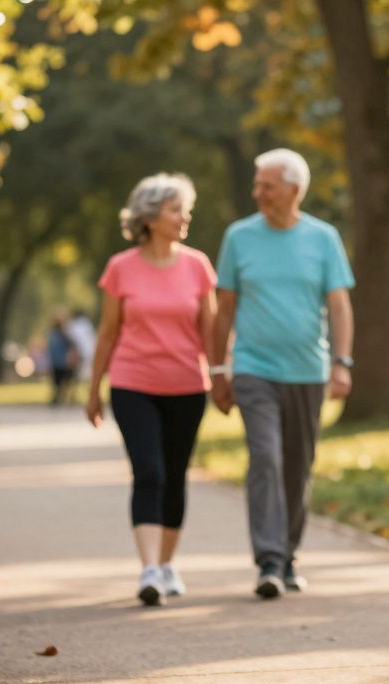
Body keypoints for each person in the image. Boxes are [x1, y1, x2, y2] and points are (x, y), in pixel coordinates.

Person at [209, 148, 355, 600]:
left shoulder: (323, 238)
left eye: (266, 186)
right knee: (266, 457)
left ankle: (288, 554)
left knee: (297, 466)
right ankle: (269, 559)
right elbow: (225, 308)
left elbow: (338, 306)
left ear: (293, 189)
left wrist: (342, 364)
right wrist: (218, 368)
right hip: (254, 369)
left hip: (308, 372)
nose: (257, 193)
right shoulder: (239, 237)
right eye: (257, 185)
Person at [85, 173, 217, 607]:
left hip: (186, 385)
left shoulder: (197, 265)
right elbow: (107, 334)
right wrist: (93, 390)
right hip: (132, 383)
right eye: (177, 209)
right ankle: (148, 569)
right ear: (151, 215)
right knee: (149, 473)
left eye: (186, 210)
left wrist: (222, 379)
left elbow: (210, 333)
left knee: (175, 475)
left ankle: (165, 564)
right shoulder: (121, 268)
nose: (185, 217)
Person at [47, 314, 78, 406]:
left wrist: (71, 358)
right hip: (55, 362)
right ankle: (56, 398)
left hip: (63, 362)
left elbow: (72, 345)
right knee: (56, 382)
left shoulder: (64, 334)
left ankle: (65, 398)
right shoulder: (52, 333)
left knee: (64, 382)